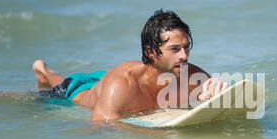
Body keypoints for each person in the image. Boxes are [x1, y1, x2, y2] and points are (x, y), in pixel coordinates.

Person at [33, 9, 227, 122]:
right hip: (77, 90)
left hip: (108, 78)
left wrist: (211, 94)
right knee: (48, 90)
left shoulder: (189, 74)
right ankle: (44, 72)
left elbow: (214, 99)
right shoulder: (122, 85)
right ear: (151, 52)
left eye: (186, 47)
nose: (184, 56)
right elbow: (100, 126)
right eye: (175, 49)